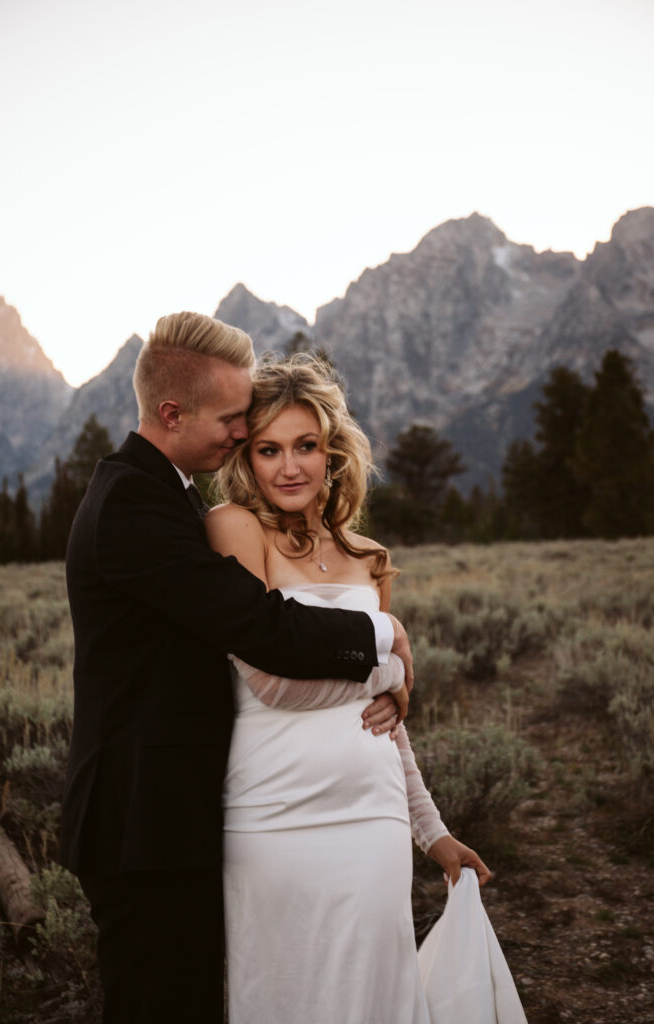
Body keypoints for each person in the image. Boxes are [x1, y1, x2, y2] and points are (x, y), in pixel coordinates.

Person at [60, 313, 415, 1024]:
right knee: (160, 1003)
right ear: (170, 412)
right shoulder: (132, 500)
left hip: (174, 811)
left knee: (188, 996)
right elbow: (257, 630)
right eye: (231, 420)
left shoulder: (165, 490)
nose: (237, 435)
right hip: (142, 818)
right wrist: (385, 636)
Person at [205, 354, 492, 1024]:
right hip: (270, 813)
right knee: (281, 995)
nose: (288, 467)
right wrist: (387, 653)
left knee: (374, 998)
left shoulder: (367, 555)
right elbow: (270, 682)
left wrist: (433, 833)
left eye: (305, 446)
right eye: (267, 449)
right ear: (246, 457)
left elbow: (388, 723)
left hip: (373, 817)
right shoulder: (232, 528)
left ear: (331, 452)